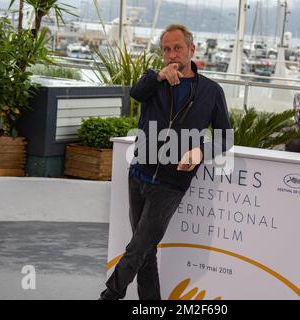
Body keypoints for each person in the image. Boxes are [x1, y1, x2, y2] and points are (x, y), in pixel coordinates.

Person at [98, 24, 232, 300]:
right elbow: (135, 93)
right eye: (166, 50)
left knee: (138, 247)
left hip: (171, 184)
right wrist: (158, 76)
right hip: (138, 174)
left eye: (177, 48)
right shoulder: (153, 81)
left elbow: (225, 138)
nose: (172, 55)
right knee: (146, 252)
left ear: (192, 50)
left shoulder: (211, 91)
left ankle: (109, 295)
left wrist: (200, 153)